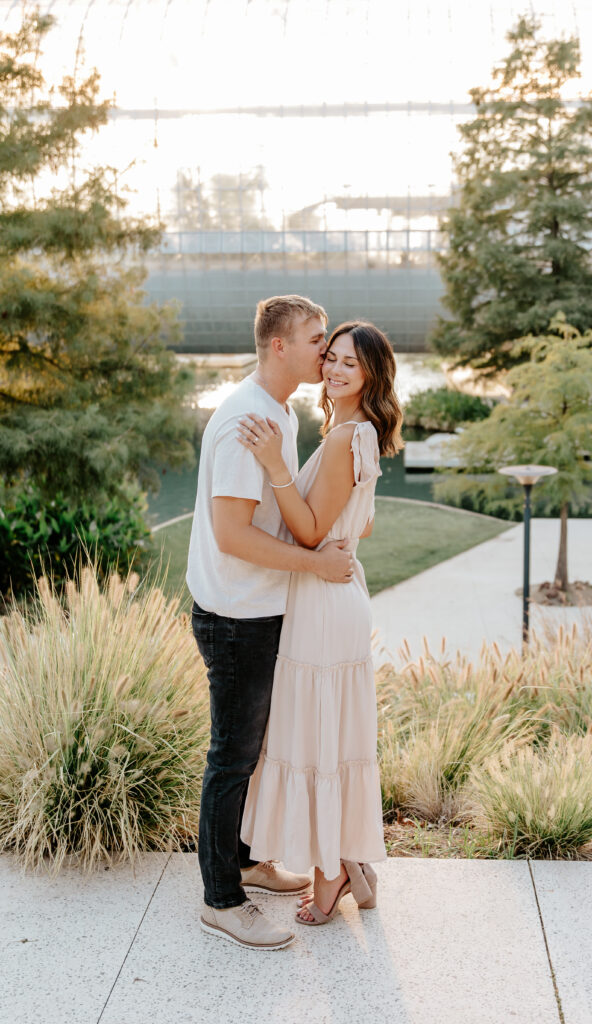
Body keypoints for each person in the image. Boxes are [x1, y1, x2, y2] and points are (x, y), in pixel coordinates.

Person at [187, 295, 356, 952]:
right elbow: (232, 535)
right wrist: (313, 564)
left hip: (259, 609)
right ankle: (220, 899)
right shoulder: (244, 423)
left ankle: (248, 862)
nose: (326, 348)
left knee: (254, 751)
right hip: (236, 616)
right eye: (317, 339)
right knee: (232, 756)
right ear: (280, 346)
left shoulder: (277, 412)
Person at [237, 320, 403, 926]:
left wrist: (276, 465)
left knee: (317, 739)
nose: (332, 371)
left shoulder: (342, 439)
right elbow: (362, 526)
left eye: (348, 365)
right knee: (329, 736)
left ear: (370, 375)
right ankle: (349, 864)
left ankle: (330, 875)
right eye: (329, 358)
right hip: (336, 590)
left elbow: (309, 531)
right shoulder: (359, 433)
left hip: (324, 601)